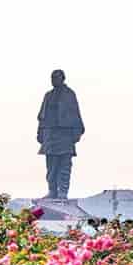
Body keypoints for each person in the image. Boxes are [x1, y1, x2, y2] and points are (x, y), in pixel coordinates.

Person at [37, 69, 84, 199]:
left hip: (65, 135)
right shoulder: (48, 95)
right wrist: (40, 132)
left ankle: (63, 192)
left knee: (64, 166)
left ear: (62, 79)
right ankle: (52, 191)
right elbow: (42, 116)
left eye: (56, 78)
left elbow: (75, 113)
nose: (53, 80)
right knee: (51, 166)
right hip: (50, 134)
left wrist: (76, 133)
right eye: (52, 78)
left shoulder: (69, 94)